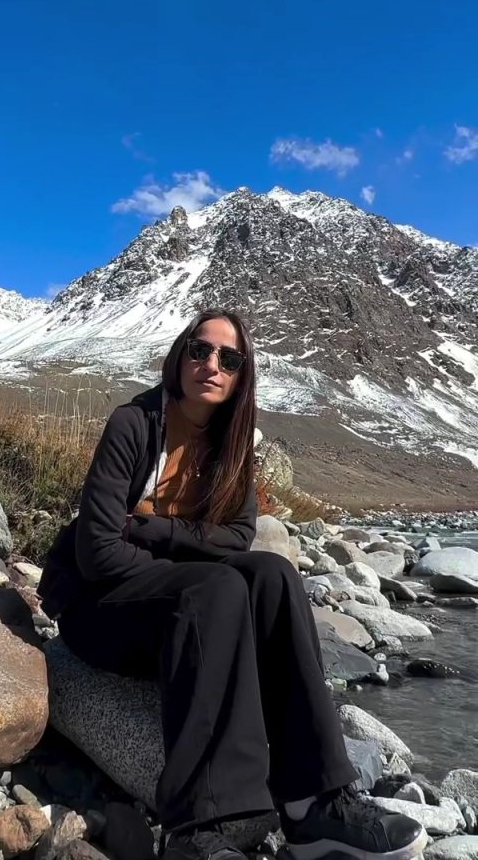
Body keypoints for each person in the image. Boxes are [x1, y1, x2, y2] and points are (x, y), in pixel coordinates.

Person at [38, 309, 427, 860]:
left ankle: (314, 804)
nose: (211, 364)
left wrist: (156, 529)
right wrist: (192, 564)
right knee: (215, 590)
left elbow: (240, 537)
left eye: (230, 358)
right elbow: (99, 553)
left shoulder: (231, 445)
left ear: (243, 376)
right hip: (97, 609)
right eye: (200, 350)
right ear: (180, 356)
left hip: (175, 606)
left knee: (273, 574)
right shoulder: (134, 423)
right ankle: (195, 830)